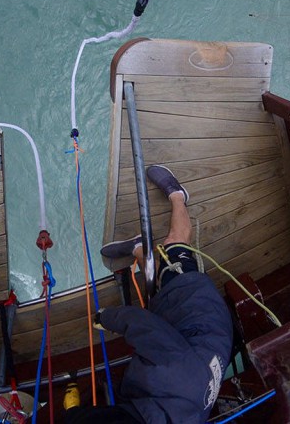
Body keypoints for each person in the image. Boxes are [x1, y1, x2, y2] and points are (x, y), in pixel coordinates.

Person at [65, 165, 233, 423]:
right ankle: (177, 195)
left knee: (156, 286)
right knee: (175, 247)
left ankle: (139, 249)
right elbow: (140, 324)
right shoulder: (170, 376)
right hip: (199, 309)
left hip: (187, 341)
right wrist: (106, 317)